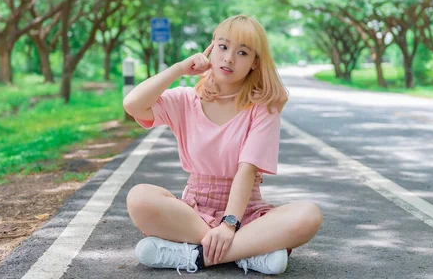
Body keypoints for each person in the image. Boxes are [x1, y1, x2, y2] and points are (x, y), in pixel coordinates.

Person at [123, 15, 323, 275]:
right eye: (223, 47)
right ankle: (248, 254)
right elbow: (132, 104)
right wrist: (179, 69)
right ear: (211, 48)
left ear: (254, 63)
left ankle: (196, 255)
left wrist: (229, 224)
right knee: (139, 197)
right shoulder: (186, 100)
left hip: (245, 212)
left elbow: (247, 170)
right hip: (194, 211)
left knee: (309, 215)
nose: (229, 58)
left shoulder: (263, 108)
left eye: (242, 52)